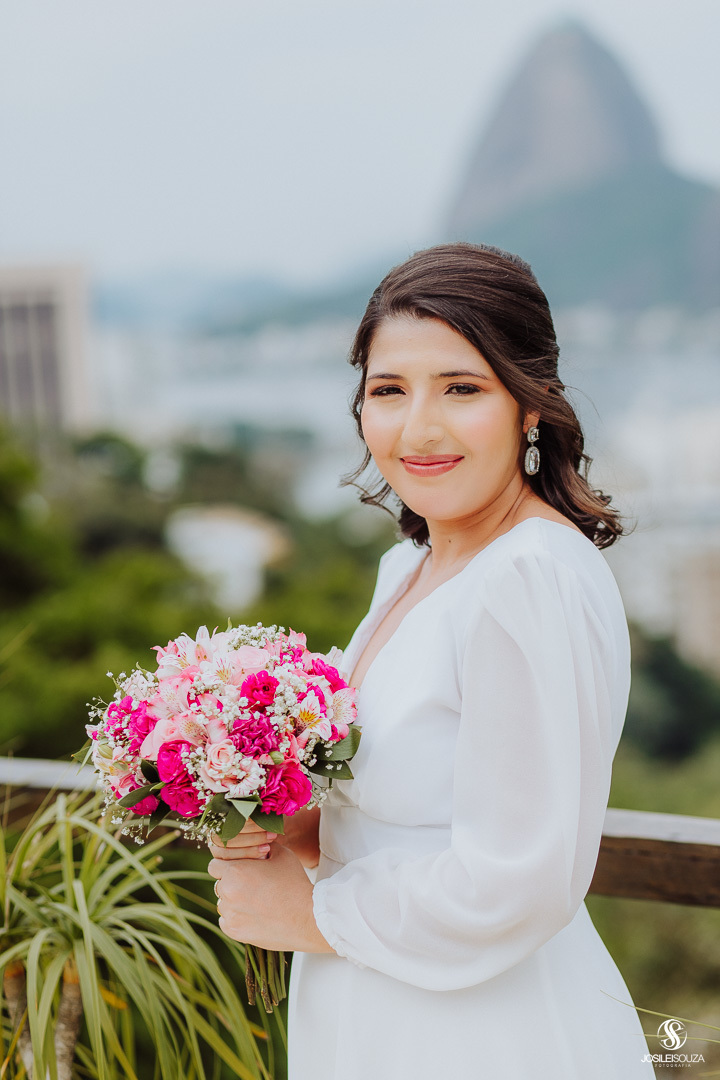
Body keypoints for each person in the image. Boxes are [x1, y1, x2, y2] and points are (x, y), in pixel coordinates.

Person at [208, 243, 656, 1079]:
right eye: (388, 391)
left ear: (532, 405)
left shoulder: (528, 578)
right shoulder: (408, 569)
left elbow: (520, 878)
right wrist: (303, 824)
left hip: (487, 1035)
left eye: (462, 388)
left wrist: (314, 916)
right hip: (376, 1011)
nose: (419, 428)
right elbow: (413, 809)